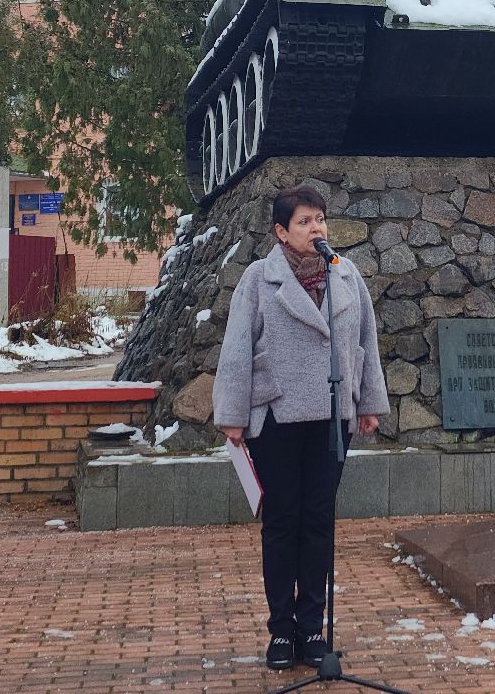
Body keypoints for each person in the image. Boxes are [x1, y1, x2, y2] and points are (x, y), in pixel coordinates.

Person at [215, 184, 390, 671]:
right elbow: (236, 348)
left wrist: (369, 401)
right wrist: (231, 414)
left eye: (320, 219)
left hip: (334, 419)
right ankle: (281, 631)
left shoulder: (345, 273)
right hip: (277, 418)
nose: (316, 229)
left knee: (319, 523)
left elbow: (366, 341)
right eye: (304, 222)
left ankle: (312, 627)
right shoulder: (258, 279)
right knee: (282, 522)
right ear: (281, 232)